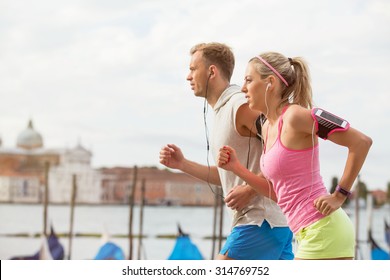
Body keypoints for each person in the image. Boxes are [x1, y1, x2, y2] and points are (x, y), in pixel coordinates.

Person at [217, 51, 373, 260]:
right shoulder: (266, 128)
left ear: (270, 82)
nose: (243, 88)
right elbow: (278, 193)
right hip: (305, 233)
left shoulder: (295, 116)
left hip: (323, 228)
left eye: (248, 80)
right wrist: (237, 168)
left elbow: (361, 142)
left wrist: (339, 195)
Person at [159, 43, 294, 260]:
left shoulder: (239, 106)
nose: (188, 76)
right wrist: (182, 164)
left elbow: (286, 147)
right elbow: (227, 177)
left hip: (259, 222)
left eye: (193, 69)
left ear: (212, 71)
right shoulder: (224, 110)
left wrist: (250, 189)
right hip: (274, 225)